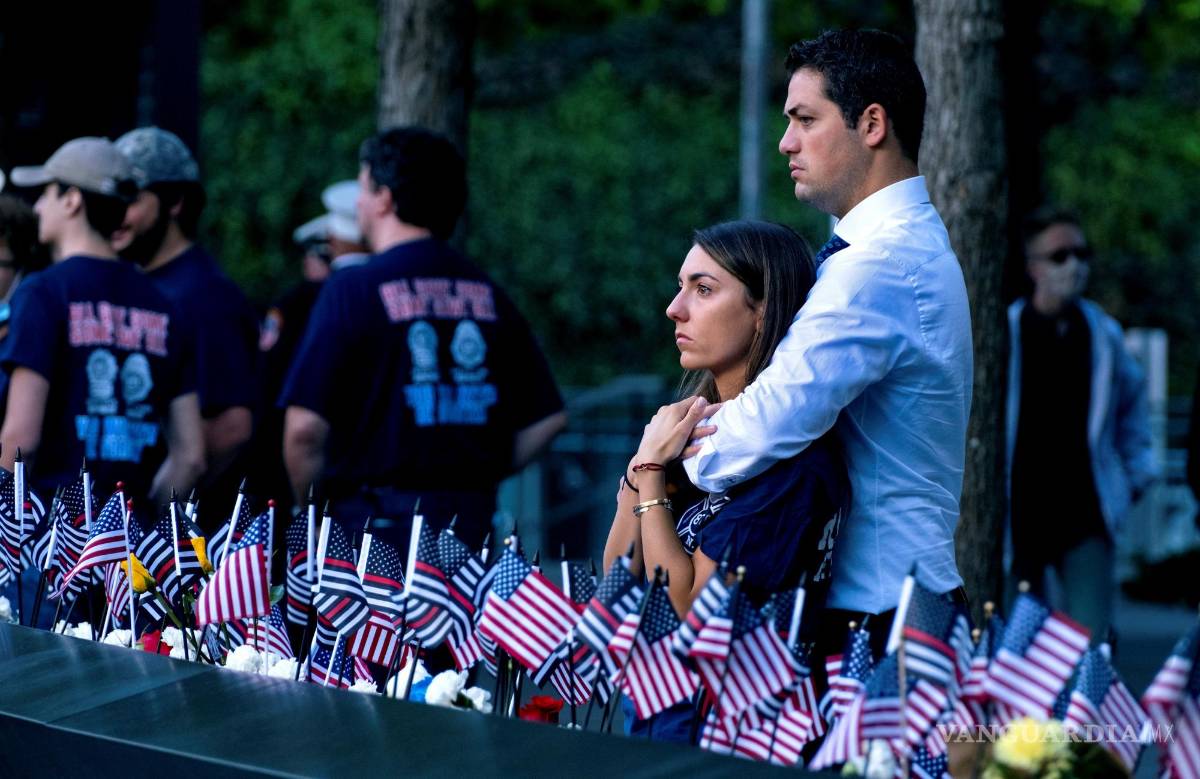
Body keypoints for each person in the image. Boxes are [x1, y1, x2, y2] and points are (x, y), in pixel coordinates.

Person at [674, 30, 973, 659]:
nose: (787, 141)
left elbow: (761, 430)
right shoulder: (889, 249)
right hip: (892, 605)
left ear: (872, 125)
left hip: (883, 618)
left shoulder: (879, 264)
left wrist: (670, 452)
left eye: (806, 119)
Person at [603, 220, 848, 743]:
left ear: (763, 311)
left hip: (721, 724)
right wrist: (643, 466)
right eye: (681, 286)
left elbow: (687, 609)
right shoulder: (691, 432)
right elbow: (619, 576)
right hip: (654, 702)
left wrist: (650, 476)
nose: (675, 308)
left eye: (704, 289)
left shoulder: (791, 463)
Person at [280, 127, 567, 552]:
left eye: (363, 188)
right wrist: (482, 473)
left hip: (371, 539)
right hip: (468, 535)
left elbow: (303, 431)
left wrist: (312, 514)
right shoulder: (488, 292)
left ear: (384, 198)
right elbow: (548, 419)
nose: (358, 203)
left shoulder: (351, 289)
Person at [0, 137, 204, 508]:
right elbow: (190, 456)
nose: (39, 206)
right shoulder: (165, 306)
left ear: (72, 200)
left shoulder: (43, 292)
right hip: (129, 534)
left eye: (46, 193)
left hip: (53, 533)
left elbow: (21, 442)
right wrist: (140, 519)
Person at [1006, 209, 1157, 643]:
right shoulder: (1008, 331)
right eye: (1059, 255)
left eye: (1081, 253)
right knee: (1017, 645)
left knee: (1092, 642)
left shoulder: (1102, 334)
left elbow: (1133, 410)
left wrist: (1133, 477)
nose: (1074, 265)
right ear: (1033, 267)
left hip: (1084, 514)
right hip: (1020, 515)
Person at [112, 127, 259, 522]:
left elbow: (231, 427)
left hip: (186, 540)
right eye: (111, 199)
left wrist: (158, 518)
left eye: (131, 198)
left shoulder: (205, 296)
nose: (115, 213)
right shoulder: (143, 285)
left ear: (175, 201)